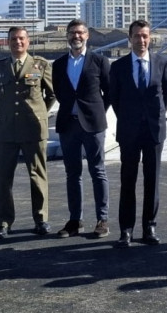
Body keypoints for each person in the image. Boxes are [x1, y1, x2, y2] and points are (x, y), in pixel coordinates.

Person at [0, 27, 56, 239]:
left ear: (28, 42)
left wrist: (38, 113)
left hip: (33, 128)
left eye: (21, 39)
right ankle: (3, 222)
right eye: (13, 39)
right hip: (6, 130)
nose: (17, 42)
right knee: (3, 179)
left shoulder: (40, 65)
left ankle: (41, 219)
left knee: (37, 176)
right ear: (7, 42)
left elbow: (51, 94)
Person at [109, 19, 167, 248]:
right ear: (130, 39)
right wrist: (129, 118)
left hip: (154, 130)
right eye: (137, 36)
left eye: (145, 36)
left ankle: (149, 227)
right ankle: (126, 229)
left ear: (150, 38)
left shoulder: (162, 63)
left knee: (152, 180)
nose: (142, 40)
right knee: (128, 180)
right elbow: (115, 100)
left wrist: (154, 119)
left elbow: (165, 96)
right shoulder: (118, 67)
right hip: (129, 130)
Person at [51, 19, 111, 239]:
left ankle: (102, 219)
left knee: (98, 171)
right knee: (72, 173)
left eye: (80, 33)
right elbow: (59, 92)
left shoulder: (100, 61)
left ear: (87, 36)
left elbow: (109, 92)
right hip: (68, 124)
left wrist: (95, 112)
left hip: (93, 125)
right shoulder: (58, 65)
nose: (76, 36)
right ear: (67, 36)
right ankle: (75, 220)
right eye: (72, 33)